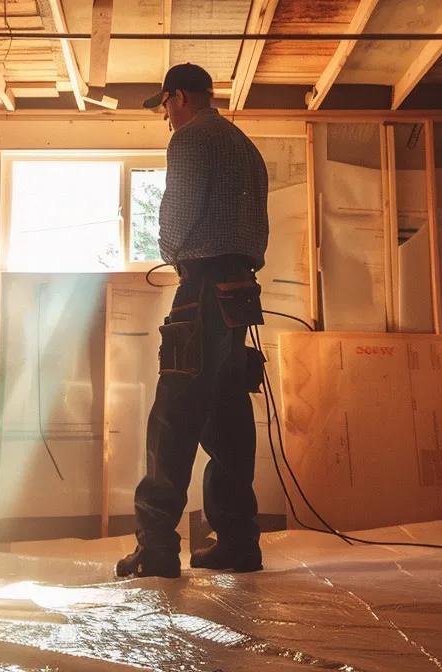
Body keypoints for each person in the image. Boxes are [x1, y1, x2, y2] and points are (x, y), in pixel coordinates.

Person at [116, 64, 271, 579]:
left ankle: (156, 549)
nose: (165, 115)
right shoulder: (242, 144)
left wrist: (171, 251)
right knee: (227, 416)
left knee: (172, 416)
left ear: (178, 96)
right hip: (240, 292)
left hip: (203, 289)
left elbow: (177, 212)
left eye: (164, 105)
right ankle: (238, 542)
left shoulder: (191, 138)